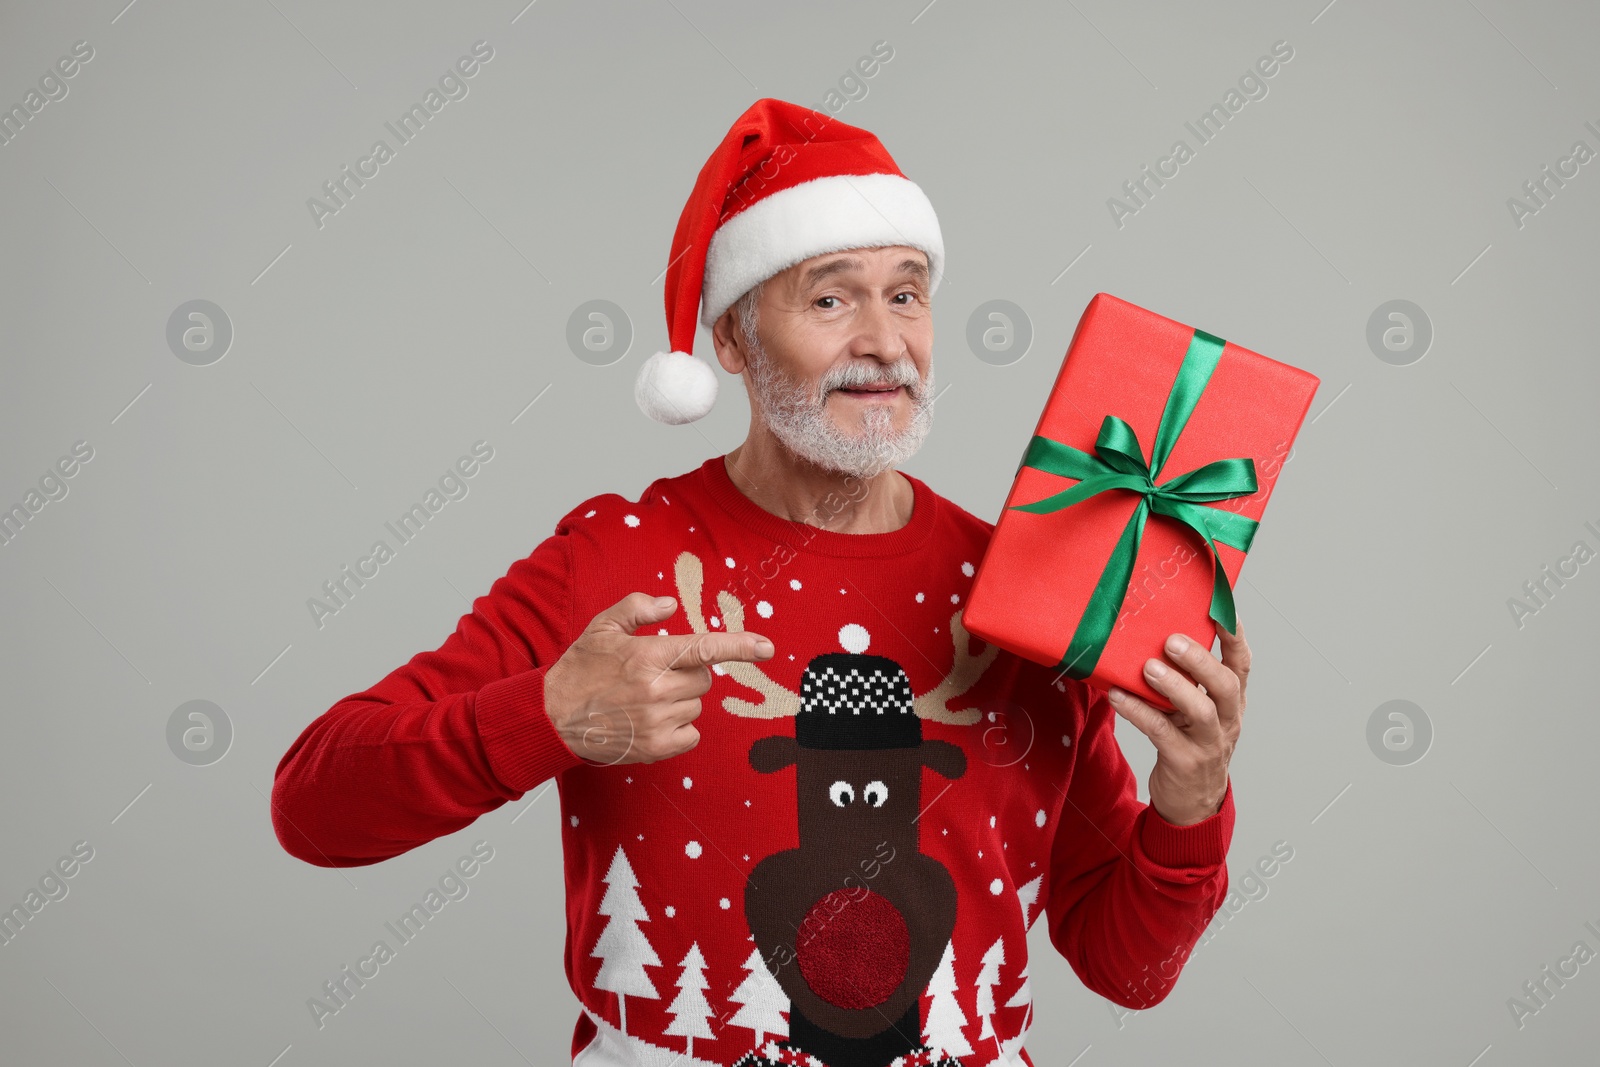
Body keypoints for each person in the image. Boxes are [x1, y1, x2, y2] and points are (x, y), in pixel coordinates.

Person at [271, 98, 1250, 1067]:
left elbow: (1128, 971)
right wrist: (551, 715)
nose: (883, 339)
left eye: (906, 293)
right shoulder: (616, 559)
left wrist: (1190, 802)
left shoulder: (1032, 591)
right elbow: (313, 804)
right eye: (830, 298)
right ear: (732, 341)